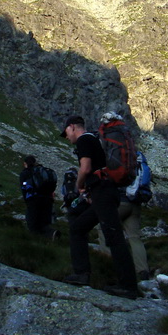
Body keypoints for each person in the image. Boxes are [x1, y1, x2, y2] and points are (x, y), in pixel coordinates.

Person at [60, 114, 139, 299]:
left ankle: (128, 286)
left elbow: (85, 168)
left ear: (72, 127)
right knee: (78, 228)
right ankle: (81, 274)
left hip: (103, 193)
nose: (67, 138)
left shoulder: (84, 140)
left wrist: (79, 186)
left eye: (66, 133)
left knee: (114, 237)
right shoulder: (94, 140)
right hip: (102, 193)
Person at [19, 155, 55, 239]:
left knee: (32, 222)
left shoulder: (25, 173)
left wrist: (27, 200)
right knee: (44, 222)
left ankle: (35, 241)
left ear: (25, 164)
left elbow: (24, 187)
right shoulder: (40, 172)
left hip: (33, 199)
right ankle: (51, 234)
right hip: (47, 199)